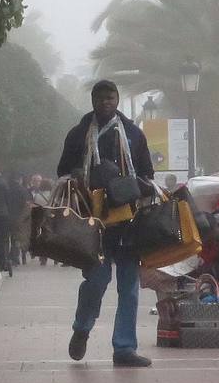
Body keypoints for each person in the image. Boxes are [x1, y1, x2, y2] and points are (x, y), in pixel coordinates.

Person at [57, 80, 155, 367]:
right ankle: (82, 328)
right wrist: (78, 174)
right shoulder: (77, 135)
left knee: (129, 287)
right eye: (100, 98)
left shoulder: (134, 135)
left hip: (128, 221)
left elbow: (148, 174)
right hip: (93, 223)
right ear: (92, 100)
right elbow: (62, 172)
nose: (105, 103)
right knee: (96, 282)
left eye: (110, 98)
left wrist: (134, 185)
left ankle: (124, 348)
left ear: (118, 99)